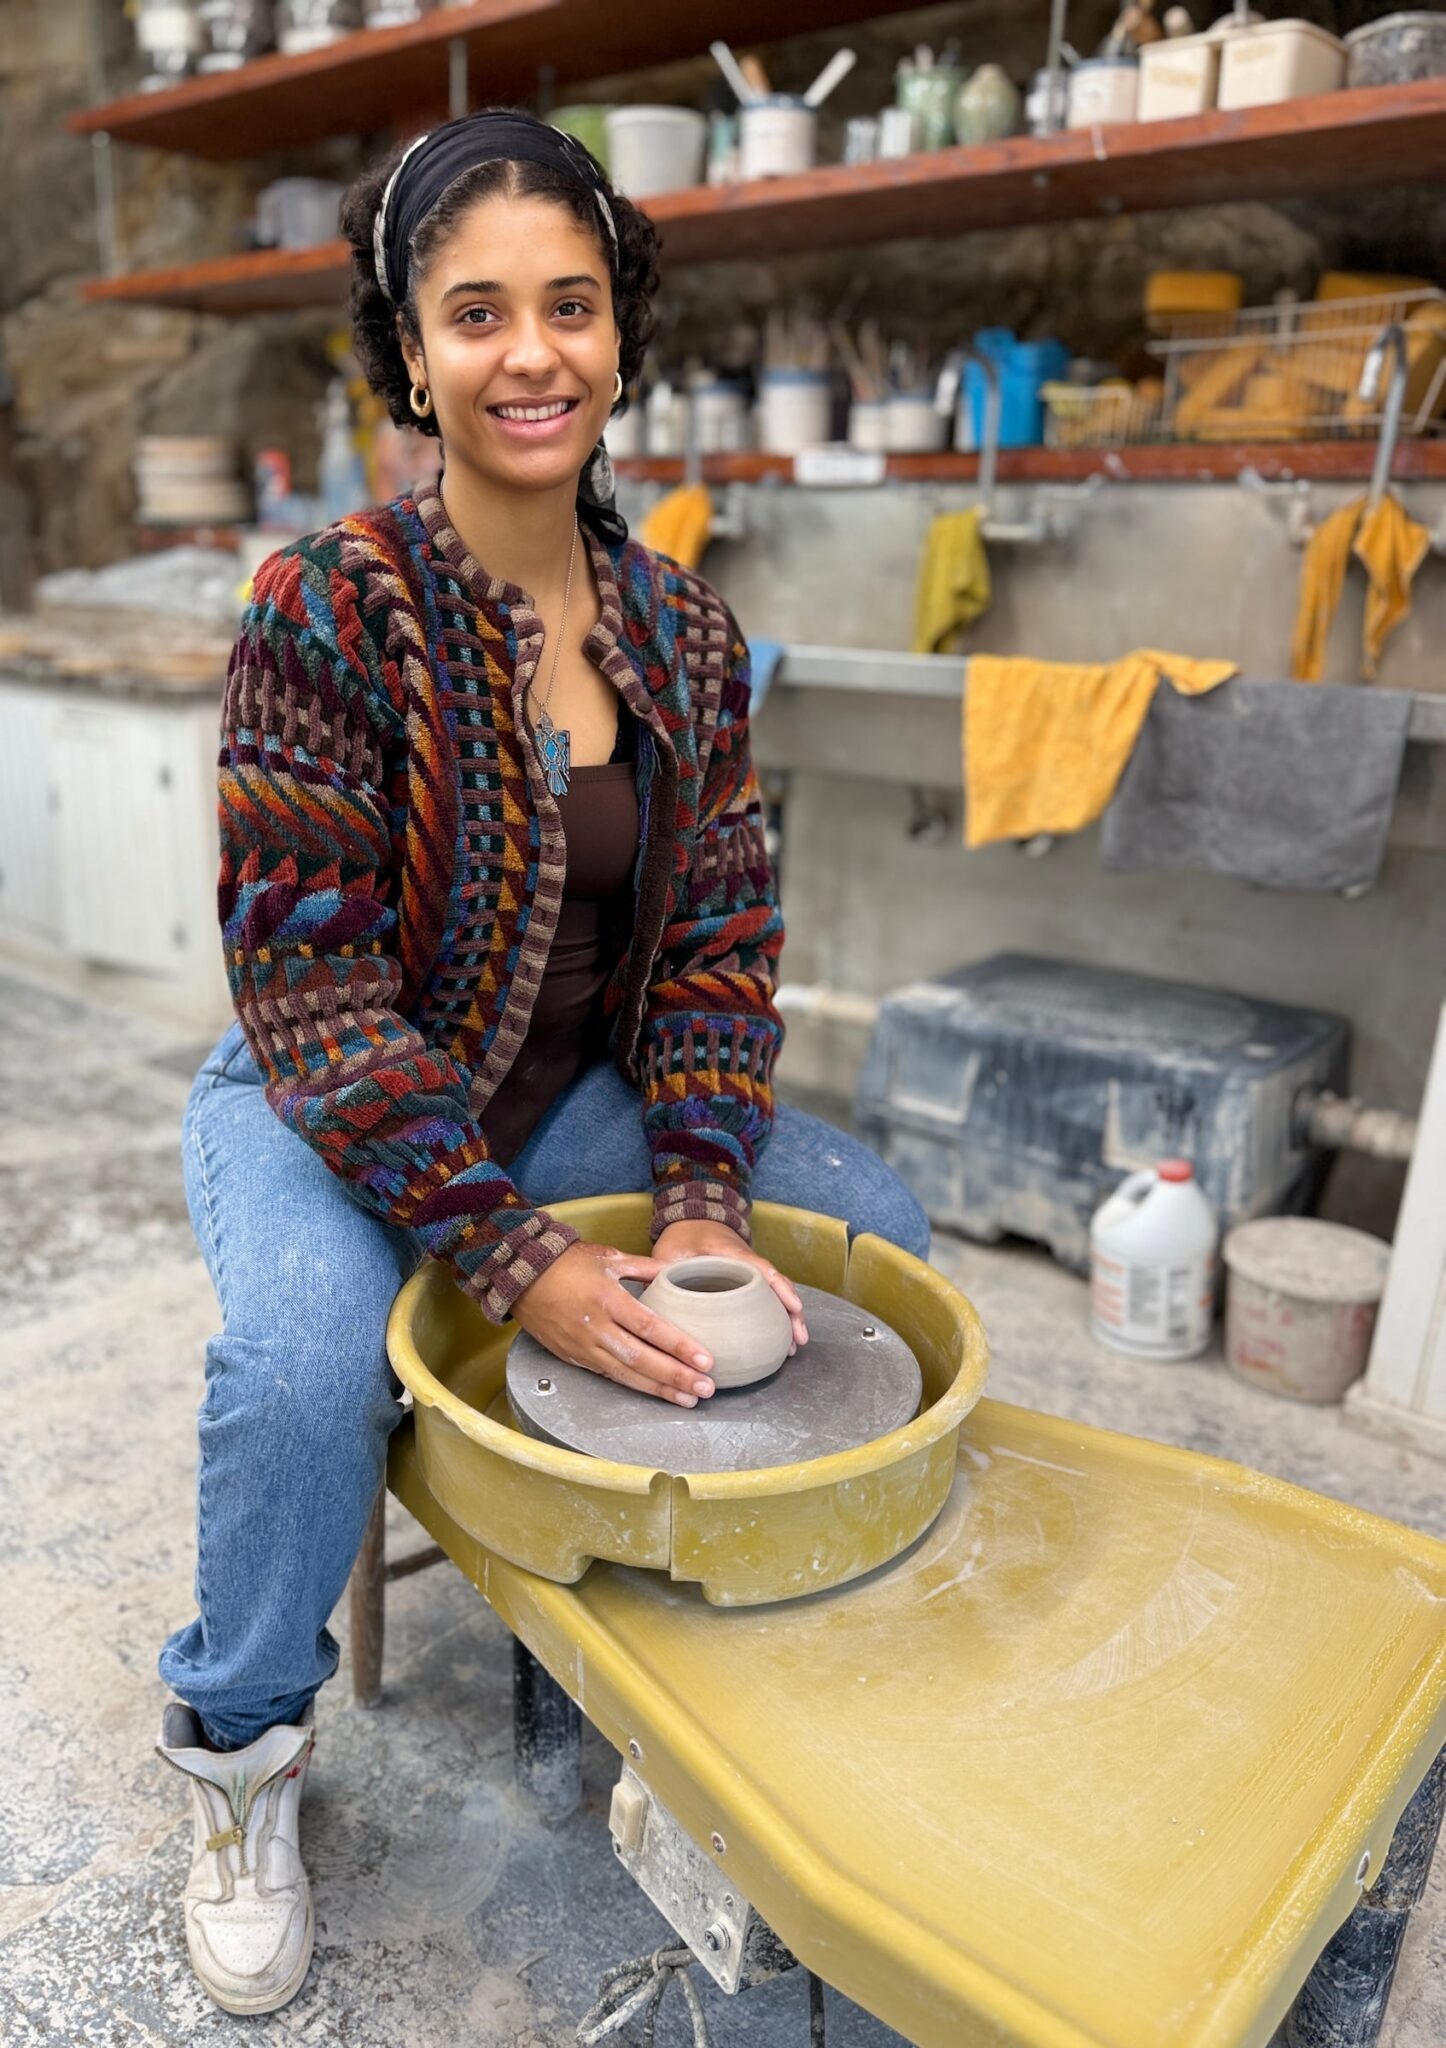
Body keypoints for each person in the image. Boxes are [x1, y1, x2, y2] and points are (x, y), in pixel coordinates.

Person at [155, 107, 931, 2016]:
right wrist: (520, 1263)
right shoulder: (324, 609)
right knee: (304, 1370)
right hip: (324, 1103)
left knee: (874, 1235)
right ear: (411, 352)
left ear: (619, 333)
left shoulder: (683, 629)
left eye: (569, 306)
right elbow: (314, 1001)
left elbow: (720, 948)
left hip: (569, 1093)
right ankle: (242, 1753)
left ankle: (689, 1665)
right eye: (478, 312)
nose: (532, 355)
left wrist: (698, 1197)